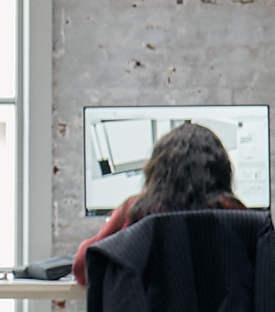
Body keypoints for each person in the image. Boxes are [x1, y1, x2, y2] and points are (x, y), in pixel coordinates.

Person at [72, 118, 242, 286]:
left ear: (158, 169)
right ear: (221, 171)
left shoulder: (136, 211)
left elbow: (82, 268)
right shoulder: (237, 215)